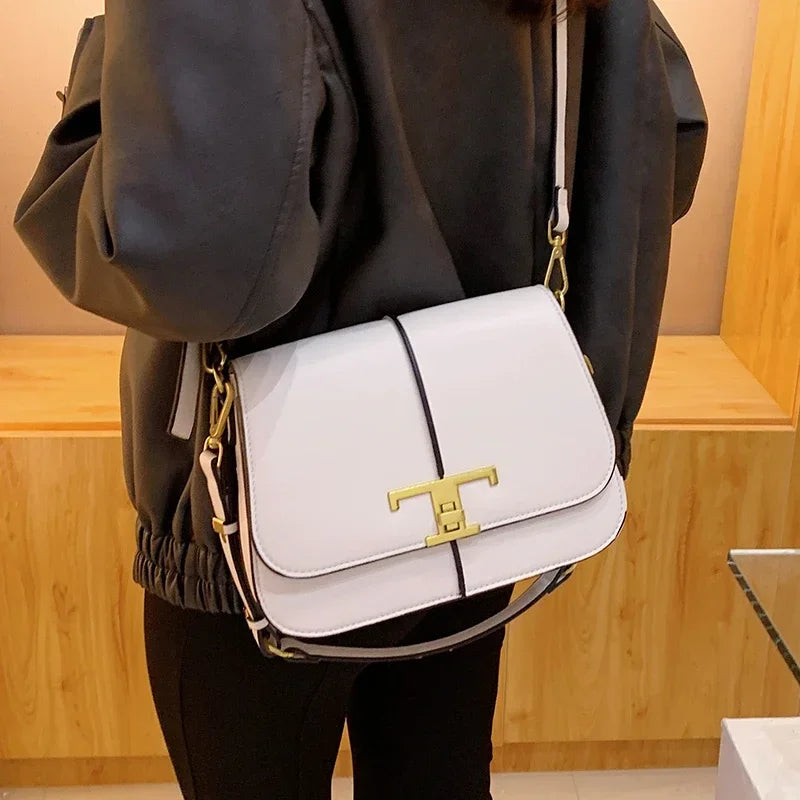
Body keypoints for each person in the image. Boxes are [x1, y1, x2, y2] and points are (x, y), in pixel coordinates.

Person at [14, 0, 705, 797]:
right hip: (476, 468)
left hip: (258, 512)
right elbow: (666, 135)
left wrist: (119, 61)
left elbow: (177, 258)